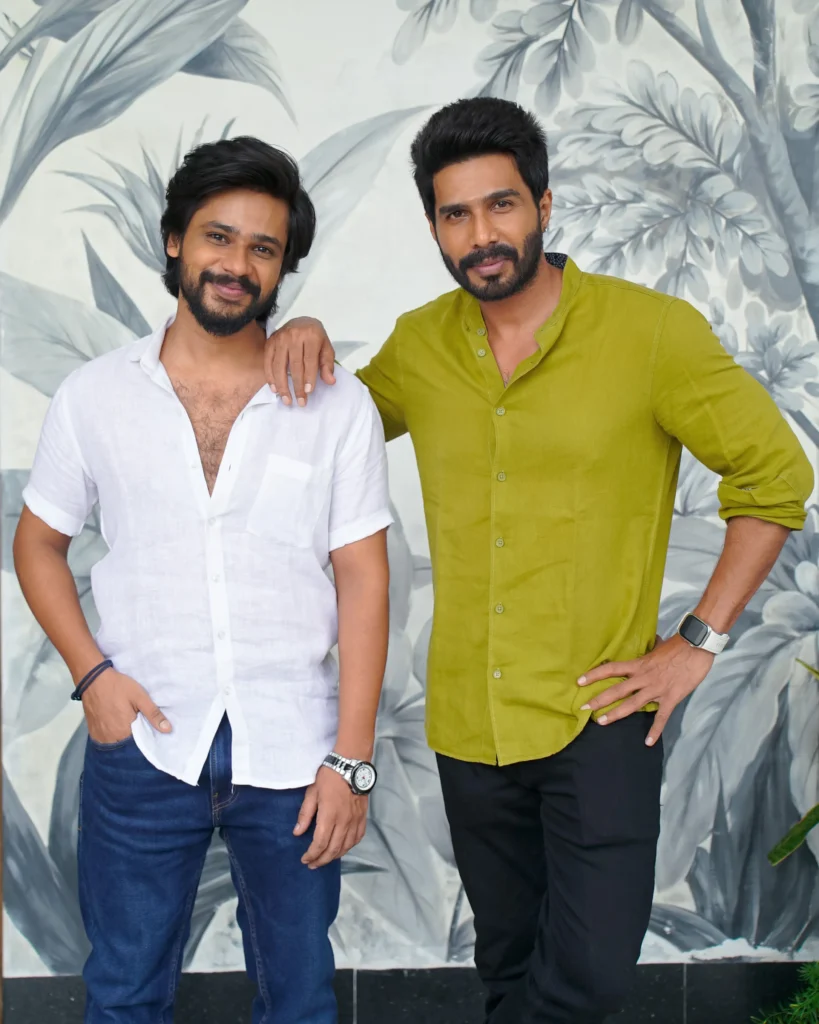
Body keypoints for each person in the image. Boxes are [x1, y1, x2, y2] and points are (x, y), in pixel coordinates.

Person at [262, 98, 814, 1024]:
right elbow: (324, 435)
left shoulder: (651, 334)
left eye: (501, 205)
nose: (480, 235)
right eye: (455, 214)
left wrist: (696, 642)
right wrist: (302, 327)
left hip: (599, 714)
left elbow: (775, 479)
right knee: (509, 964)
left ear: (544, 205)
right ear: (434, 227)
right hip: (468, 722)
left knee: (588, 978)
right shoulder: (420, 345)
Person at [13, 136, 392, 1024]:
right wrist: (92, 678)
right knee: (123, 995)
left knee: (299, 1000)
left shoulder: (334, 403)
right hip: (143, 740)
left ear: (283, 268)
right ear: (175, 240)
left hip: (295, 751)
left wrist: (352, 760)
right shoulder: (95, 396)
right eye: (218, 237)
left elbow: (363, 580)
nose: (236, 264)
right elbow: (37, 545)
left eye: (262, 248)